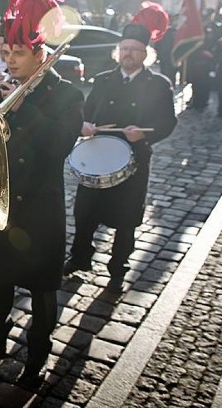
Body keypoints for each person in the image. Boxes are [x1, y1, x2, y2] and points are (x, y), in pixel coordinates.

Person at [0, 0, 84, 384]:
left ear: (40, 52)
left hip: (39, 207)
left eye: (18, 51)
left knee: (42, 288)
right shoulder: (2, 91)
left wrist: (22, 108)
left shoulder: (68, 94)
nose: (10, 59)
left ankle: (37, 356)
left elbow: (58, 145)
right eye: (6, 51)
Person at [66, 23, 177, 283]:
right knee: (85, 212)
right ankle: (80, 256)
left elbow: (168, 122)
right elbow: (87, 111)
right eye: (124, 48)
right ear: (118, 52)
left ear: (146, 54)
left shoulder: (159, 85)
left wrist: (145, 134)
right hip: (97, 156)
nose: (128, 54)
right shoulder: (104, 79)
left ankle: (118, 266)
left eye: (135, 50)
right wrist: (84, 125)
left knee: (126, 218)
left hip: (134, 158)